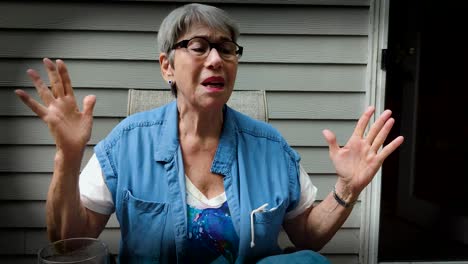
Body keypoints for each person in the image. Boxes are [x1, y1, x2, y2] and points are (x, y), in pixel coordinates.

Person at [14, 3, 404, 264]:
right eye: (198, 47)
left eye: (227, 49)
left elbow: (307, 237)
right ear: (167, 66)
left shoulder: (271, 148)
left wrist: (348, 188)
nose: (216, 59)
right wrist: (67, 157)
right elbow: (69, 241)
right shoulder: (126, 142)